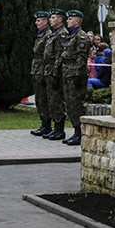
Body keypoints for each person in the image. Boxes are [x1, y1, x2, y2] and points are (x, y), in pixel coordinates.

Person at [56, 10, 90, 146]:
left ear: (77, 21)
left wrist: (77, 74)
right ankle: (76, 131)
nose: (67, 21)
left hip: (76, 74)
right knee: (70, 104)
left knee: (76, 104)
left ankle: (80, 133)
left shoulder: (81, 36)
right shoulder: (71, 35)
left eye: (70, 19)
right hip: (67, 73)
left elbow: (82, 58)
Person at [41, 9, 68, 140]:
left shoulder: (62, 34)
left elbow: (59, 56)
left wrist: (56, 74)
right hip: (48, 68)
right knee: (51, 99)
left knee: (56, 100)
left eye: (52, 18)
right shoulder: (54, 33)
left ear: (59, 20)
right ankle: (55, 127)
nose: (50, 20)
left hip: (54, 70)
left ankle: (60, 128)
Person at [29, 11, 53, 136]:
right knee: (39, 98)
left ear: (45, 21)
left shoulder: (48, 35)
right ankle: (43, 123)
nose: (36, 23)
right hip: (37, 69)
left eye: (39, 21)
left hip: (42, 69)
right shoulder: (41, 34)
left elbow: (47, 56)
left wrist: (44, 73)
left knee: (44, 98)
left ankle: (47, 124)